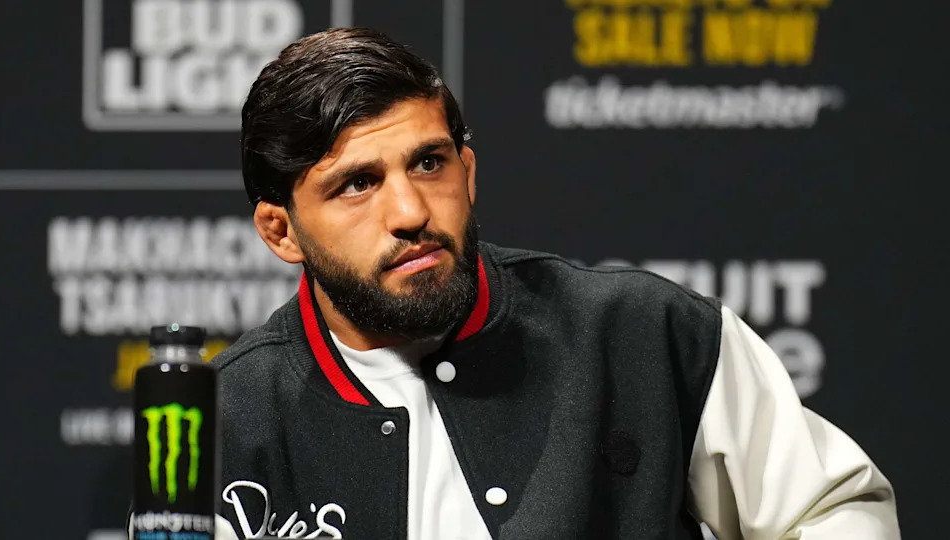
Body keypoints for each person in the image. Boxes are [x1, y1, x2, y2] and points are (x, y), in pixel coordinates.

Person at [173, 27, 900, 539]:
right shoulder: (222, 418)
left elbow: (833, 511)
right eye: (358, 184)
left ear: (470, 171)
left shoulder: (646, 333)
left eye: (429, 163)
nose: (410, 212)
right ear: (281, 231)